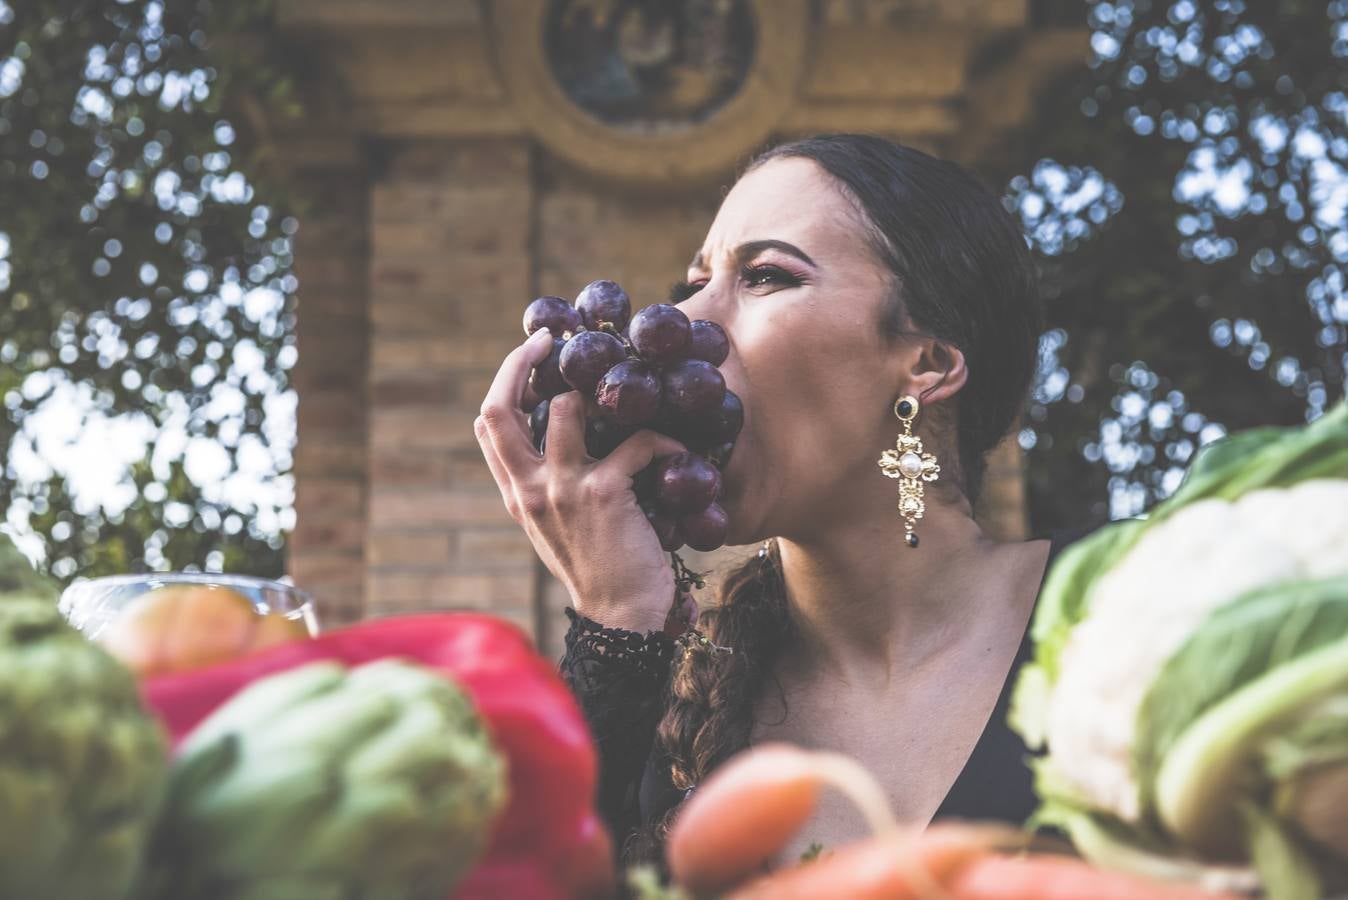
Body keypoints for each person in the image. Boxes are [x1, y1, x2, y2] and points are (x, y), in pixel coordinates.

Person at [474, 134, 1071, 871]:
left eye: (764, 276)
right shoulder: (681, 722)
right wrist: (617, 618)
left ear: (926, 363)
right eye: (693, 282)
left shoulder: (1139, 611)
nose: (685, 321)